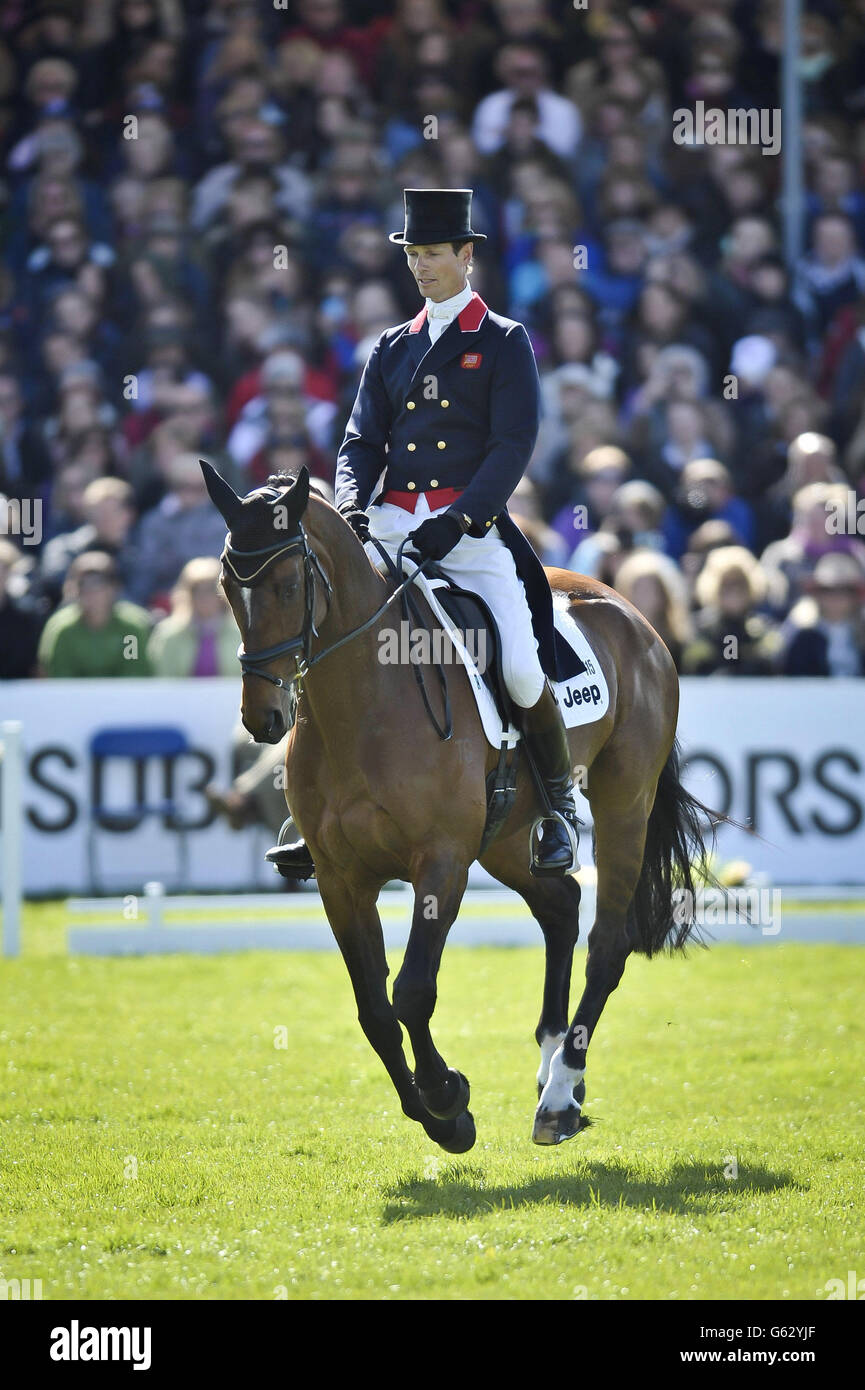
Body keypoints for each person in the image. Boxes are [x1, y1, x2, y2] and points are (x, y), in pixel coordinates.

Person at [277, 187, 581, 879]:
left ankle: (558, 809)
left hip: (467, 531)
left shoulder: (502, 341)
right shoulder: (392, 345)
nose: (420, 266)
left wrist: (460, 519)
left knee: (520, 667)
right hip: (386, 522)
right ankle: (312, 808)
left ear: (465, 255)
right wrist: (352, 507)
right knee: (322, 636)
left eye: (433, 253)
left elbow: (511, 445)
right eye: (412, 254)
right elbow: (359, 441)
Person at [36, 551, 153, 677]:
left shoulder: (131, 630)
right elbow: (60, 681)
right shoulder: (62, 630)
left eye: (98, 583)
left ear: (114, 587)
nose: (90, 592)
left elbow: (134, 676)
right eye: (82, 584)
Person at [147, 556, 239, 676]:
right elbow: (162, 679)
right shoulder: (168, 635)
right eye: (196, 590)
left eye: (211, 589)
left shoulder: (241, 635)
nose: (204, 596)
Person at [782, 552, 865, 676]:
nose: (835, 598)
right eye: (827, 590)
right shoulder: (803, 635)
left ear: (854, 597)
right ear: (817, 594)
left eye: (845, 590)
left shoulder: (861, 632)